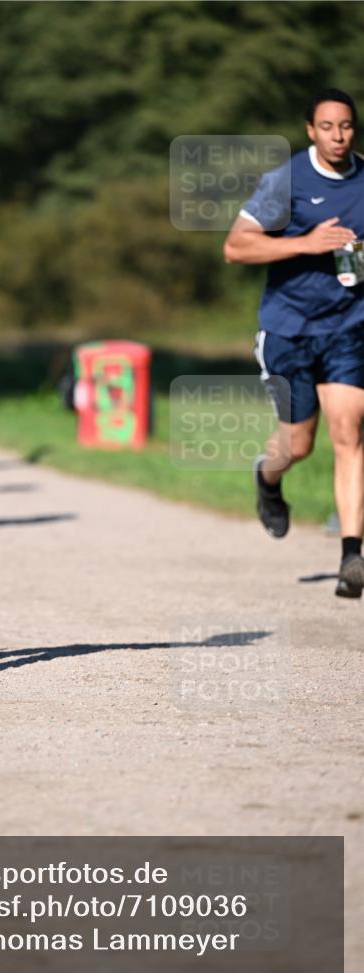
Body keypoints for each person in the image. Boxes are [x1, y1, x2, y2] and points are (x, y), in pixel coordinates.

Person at [224, 88, 364, 599]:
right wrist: (307, 242)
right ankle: (268, 478)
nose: (338, 136)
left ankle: (352, 555)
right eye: (327, 127)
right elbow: (235, 247)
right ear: (311, 130)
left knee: (349, 434)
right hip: (289, 329)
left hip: (349, 326)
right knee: (298, 444)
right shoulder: (287, 181)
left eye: (346, 126)